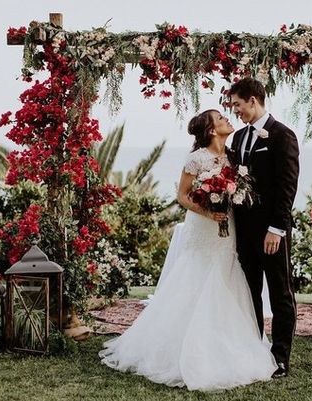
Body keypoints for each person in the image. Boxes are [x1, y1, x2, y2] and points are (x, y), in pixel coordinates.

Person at [99, 109, 277, 391]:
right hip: (204, 226)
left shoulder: (233, 156)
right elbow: (182, 195)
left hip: (228, 228)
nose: (227, 120)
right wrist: (207, 211)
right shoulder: (196, 159)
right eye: (220, 119)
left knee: (226, 276)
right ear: (210, 130)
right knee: (196, 278)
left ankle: (226, 341)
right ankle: (182, 346)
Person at [230, 77, 299, 378]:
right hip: (243, 229)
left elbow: (287, 187)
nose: (236, 112)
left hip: (272, 231)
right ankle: (255, 348)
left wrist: (277, 229)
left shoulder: (283, 135)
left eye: (238, 105)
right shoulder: (238, 138)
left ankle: (281, 357)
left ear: (253, 101)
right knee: (250, 291)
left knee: (280, 292)